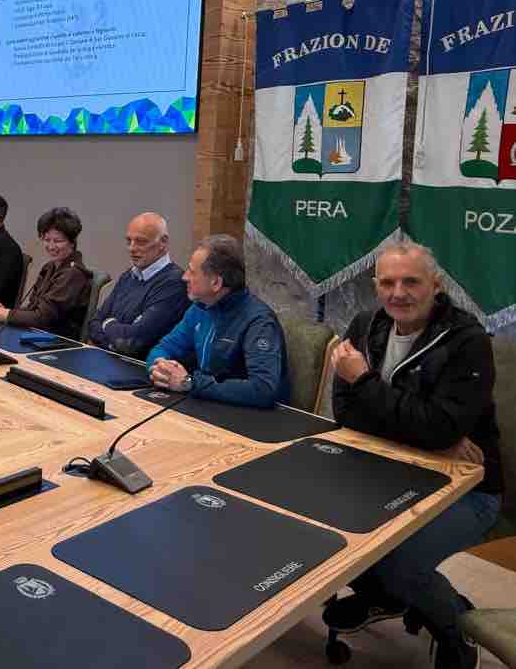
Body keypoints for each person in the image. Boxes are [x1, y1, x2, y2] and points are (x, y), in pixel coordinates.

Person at [322, 243, 502, 669]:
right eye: (387, 282)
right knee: (336, 534)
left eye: (411, 281)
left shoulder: (468, 340)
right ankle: (387, 596)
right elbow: (347, 414)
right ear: (375, 286)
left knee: (399, 562)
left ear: (436, 286)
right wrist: (425, 431)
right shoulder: (365, 325)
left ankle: (456, 626)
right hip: (389, 469)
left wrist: (366, 381)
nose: (397, 292)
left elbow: (440, 427)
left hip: (468, 487)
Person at [146, 234, 289, 408]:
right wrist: (160, 369)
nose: (184, 277)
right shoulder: (200, 307)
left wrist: (189, 383)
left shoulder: (259, 322)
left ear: (215, 283)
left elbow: (263, 389)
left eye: (192, 271)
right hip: (207, 405)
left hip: (247, 421)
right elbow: (163, 348)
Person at [86, 212, 190, 357]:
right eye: (129, 241)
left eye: (141, 241)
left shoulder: (175, 283)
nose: (132, 248)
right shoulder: (128, 276)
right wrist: (115, 340)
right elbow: (94, 323)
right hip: (110, 360)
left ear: (163, 242)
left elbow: (132, 342)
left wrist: (108, 324)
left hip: (142, 371)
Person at [0, 207, 92, 339]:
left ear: (72, 242)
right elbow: (33, 309)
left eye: (58, 241)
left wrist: (3, 313)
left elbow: (41, 319)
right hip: (36, 336)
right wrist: (2, 310)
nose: (51, 246)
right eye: (46, 239)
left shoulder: (73, 273)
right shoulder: (49, 267)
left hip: (57, 343)